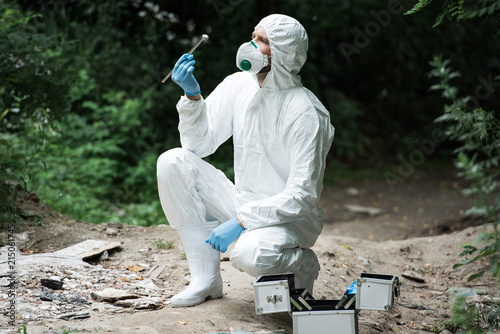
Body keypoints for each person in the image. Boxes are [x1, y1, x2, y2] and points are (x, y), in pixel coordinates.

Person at [157, 14, 335, 308]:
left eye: (262, 41)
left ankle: (303, 266)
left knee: (249, 253)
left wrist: (240, 222)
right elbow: (197, 145)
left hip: (289, 220)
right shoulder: (239, 85)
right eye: (253, 36)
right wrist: (192, 95)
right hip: (243, 202)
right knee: (173, 161)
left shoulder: (306, 111)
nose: (250, 44)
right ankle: (206, 280)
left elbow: (303, 196)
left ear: (284, 52)